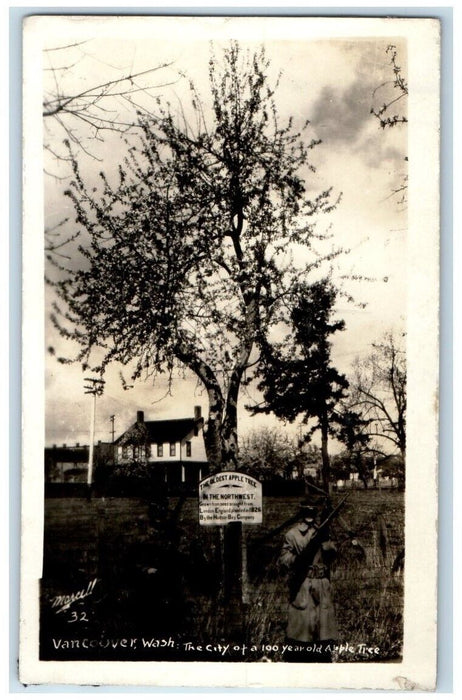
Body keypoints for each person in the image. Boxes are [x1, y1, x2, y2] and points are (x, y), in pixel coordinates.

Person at [279, 501, 338, 662]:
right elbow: (284, 559)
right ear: (302, 514)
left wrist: (328, 545)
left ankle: (322, 659)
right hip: (303, 583)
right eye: (307, 513)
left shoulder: (322, 532)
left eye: (313, 513)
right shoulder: (292, 535)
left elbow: (333, 554)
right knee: (302, 627)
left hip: (322, 583)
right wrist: (298, 559)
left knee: (323, 628)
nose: (310, 517)